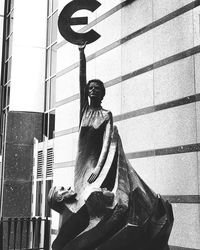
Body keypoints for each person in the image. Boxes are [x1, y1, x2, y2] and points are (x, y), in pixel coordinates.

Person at [49, 44, 174, 250]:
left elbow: (107, 143)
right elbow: (81, 80)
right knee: (82, 203)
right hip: (83, 165)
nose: (92, 90)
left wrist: (98, 169)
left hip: (99, 164)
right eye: (90, 88)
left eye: (97, 88)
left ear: (102, 93)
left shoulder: (106, 115)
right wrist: (81, 54)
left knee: (100, 200)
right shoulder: (84, 110)